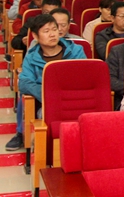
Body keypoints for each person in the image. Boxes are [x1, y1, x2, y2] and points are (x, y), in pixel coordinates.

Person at [6, 14, 87, 151]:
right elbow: (24, 83)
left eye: (54, 29)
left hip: (75, 100)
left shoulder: (76, 51)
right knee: (42, 113)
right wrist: (48, 94)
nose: (52, 34)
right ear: (35, 36)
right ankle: (50, 152)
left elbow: (84, 78)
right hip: (46, 104)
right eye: (46, 31)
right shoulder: (31, 57)